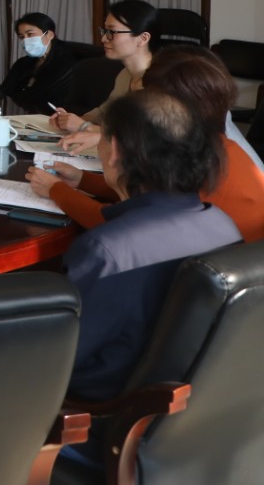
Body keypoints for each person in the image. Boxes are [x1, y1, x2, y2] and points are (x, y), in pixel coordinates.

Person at [58, 92, 238, 412]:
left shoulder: (108, 251)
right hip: (191, 414)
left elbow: (59, 356)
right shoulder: (223, 225)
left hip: (95, 415)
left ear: (114, 150)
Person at [27, 46, 264, 241]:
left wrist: (57, 191)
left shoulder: (203, 155)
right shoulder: (209, 138)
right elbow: (148, 195)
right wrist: (83, 180)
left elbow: (126, 224)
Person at [49, 0, 157, 154]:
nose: (103, 38)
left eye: (112, 32)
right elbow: (103, 113)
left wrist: (82, 126)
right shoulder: (125, 74)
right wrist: (70, 121)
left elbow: (143, 137)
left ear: (143, 38)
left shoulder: (161, 81)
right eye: (104, 31)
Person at [0, 12, 77, 112]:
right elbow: (3, 91)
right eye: (22, 37)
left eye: (30, 34)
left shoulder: (66, 63)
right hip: (19, 113)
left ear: (50, 35)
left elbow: (42, 96)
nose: (25, 40)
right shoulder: (23, 63)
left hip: (47, 116)